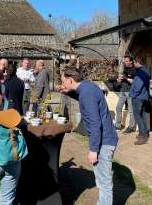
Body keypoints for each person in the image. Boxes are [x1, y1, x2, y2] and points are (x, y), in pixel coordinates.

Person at [60, 66, 118, 205]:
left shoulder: (86, 93)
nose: (62, 84)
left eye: (63, 81)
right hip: (105, 139)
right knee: (103, 181)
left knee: (104, 184)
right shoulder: (87, 86)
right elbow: (82, 96)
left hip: (104, 142)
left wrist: (93, 149)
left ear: (70, 79)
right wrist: (68, 92)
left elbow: (95, 123)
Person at [130, 56, 151, 145]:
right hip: (143, 97)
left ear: (137, 62)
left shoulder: (141, 72)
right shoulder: (144, 70)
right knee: (142, 115)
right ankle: (145, 133)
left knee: (137, 116)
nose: (133, 65)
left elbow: (138, 86)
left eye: (134, 63)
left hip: (138, 97)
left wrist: (133, 95)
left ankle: (143, 136)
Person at [114, 56, 137, 133]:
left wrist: (126, 78)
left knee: (131, 111)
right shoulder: (125, 69)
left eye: (127, 61)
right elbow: (122, 79)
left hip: (130, 92)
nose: (125, 62)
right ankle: (117, 125)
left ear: (131, 62)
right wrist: (119, 80)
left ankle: (131, 127)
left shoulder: (135, 70)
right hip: (123, 91)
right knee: (118, 108)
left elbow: (135, 82)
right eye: (124, 61)